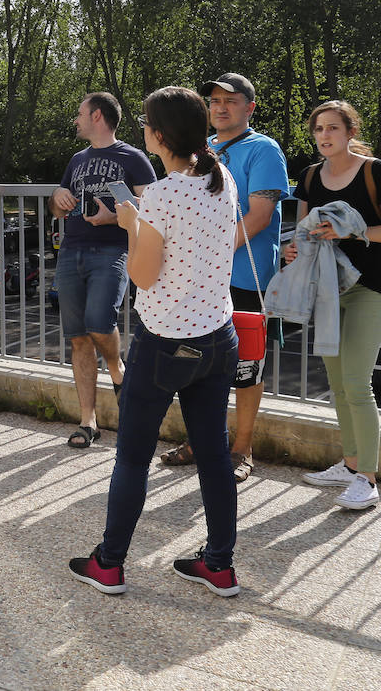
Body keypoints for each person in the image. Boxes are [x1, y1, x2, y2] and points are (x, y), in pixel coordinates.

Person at [69, 87, 242, 598]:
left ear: (159, 136)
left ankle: (110, 564)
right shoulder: (220, 176)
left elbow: (143, 276)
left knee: (133, 455)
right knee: (214, 454)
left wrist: (131, 224)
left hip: (166, 341)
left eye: (146, 123)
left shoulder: (165, 195)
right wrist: (144, 219)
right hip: (219, 336)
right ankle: (220, 565)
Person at [160, 74, 289, 482]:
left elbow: (260, 216)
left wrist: (208, 254)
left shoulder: (263, 149)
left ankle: (243, 449)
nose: (219, 107)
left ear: (250, 108)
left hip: (245, 277)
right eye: (213, 100)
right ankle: (202, 441)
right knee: (198, 363)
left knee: (247, 367)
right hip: (204, 279)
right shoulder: (203, 151)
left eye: (230, 100)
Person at [289, 101, 381, 511]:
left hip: (372, 287)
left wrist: (353, 230)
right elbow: (307, 232)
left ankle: (368, 480)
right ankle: (350, 462)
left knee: (358, 384)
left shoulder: (376, 172)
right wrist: (294, 249)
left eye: (333, 129)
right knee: (338, 384)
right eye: (318, 129)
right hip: (328, 289)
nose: (324, 136)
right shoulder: (309, 177)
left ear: (349, 131)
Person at [50, 93, 155, 448]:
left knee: (99, 321)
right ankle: (88, 421)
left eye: (80, 113)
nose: (75, 119)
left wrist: (115, 216)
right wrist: (58, 198)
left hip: (112, 250)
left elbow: (153, 205)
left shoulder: (133, 157)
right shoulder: (77, 159)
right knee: (78, 338)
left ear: (96, 115)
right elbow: (59, 200)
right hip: (71, 251)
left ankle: (116, 368)